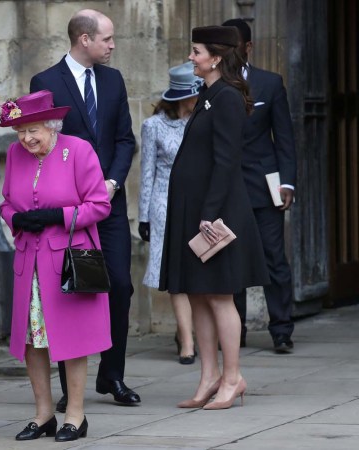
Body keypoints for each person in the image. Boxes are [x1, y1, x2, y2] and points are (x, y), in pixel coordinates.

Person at [30, 8, 140, 412]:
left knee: (121, 286)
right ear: (84, 40)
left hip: (108, 204)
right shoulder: (46, 82)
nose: (112, 46)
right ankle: (68, 387)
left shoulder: (113, 80)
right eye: (107, 39)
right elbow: (40, 141)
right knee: (73, 292)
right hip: (69, 213)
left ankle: (112, 375)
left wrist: (111, 183)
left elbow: (125, 140)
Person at [159, 25, 269, 410]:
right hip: (194, 209)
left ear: (216, 58)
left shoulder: (225, 96)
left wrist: (209, 212)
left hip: (215, 210)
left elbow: (226, 161)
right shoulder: (208, 93)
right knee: (198, 295)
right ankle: (208, 377)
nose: (191, 58)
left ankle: (234, 377)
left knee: (221, 296)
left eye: (196, 51)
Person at [0, 90, 112, 442]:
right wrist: (17, 218)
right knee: (33, 339)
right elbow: (4, 203)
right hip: (29, 261)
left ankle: (75, 415)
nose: (26, 138)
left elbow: (99, 205)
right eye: (20, 132)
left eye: (33, 130)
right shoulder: (17, 154)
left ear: (51, 126)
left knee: (71, 339)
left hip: (67, 262)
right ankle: (44, 413)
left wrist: (58, 216)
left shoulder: (77, 150)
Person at [222, 18, 297, 353]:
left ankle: (281, 330)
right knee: (232, 260)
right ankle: (234, 332)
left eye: (234, 44)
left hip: (265, 186)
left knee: (273, 258)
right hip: (227, 189)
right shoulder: (213, 84)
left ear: (248, 47)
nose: (229, 51)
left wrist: (288, 183)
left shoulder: (269, 83)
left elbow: (284, 139)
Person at [138, 61, 202, 365]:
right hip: (165, 204)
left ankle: (196, 333)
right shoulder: (154, 126)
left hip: (200, 204)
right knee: (175, 275)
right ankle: (186, 341)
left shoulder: (205, 120)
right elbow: (147, 172)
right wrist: (144, 217)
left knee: (199, 273)